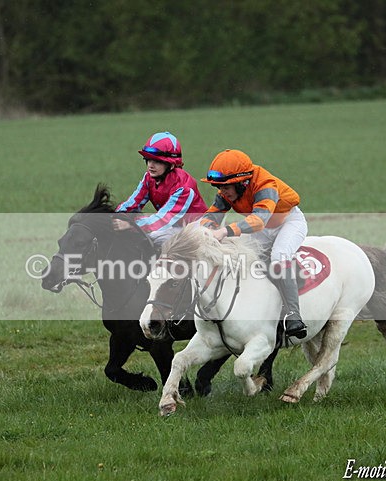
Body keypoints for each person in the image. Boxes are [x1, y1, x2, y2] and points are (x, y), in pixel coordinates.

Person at [200, 149, 308, 338]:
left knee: (279, 256)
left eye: (226, 186)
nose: (222, 191)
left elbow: (259, 221)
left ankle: (293, 314)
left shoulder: (265, 185)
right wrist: (207, 228)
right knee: (244, 259)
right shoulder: (228, 191)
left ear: (242, 182)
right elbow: (210, 216)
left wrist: (225, 230)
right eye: (218, 186)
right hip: (264, 228)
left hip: (289, 223)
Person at [113, 131, 208, 245]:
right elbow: (133, 202)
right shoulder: (149, 177)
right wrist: (116, 216)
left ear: (172, 165)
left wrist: (131, 225)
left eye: (157, 161)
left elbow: (163, 220)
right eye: (148, 159)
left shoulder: (184, 187)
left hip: (198, 231)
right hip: (174, 226)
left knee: (154, 237)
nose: (150, 165)